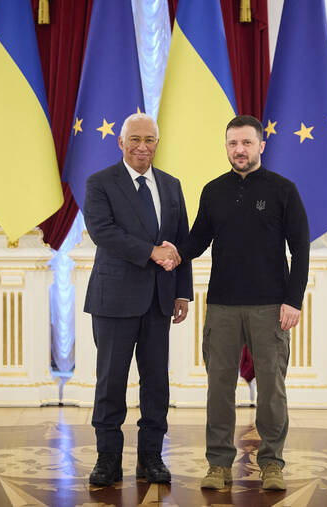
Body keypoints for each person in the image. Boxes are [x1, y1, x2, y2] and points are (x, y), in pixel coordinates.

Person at [165, 115, 309, 491]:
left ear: (261, 145)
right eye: (233, 144)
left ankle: (272, 463)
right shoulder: (213, 191)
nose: (239, 150)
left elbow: (301, 250)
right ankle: (218, 465)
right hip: (223, 307)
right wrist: (169, 252)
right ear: (226, 146)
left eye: (246, 143)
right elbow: (196, 242)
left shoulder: (284, 190)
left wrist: (293, 300)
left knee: (272, 390)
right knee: (219, 388)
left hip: (271, 307)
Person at [83, 112, 193, 487]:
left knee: (156, 383)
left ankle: (151, 458)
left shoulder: (171, 185)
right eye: (135, 139)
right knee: (110, 382)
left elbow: (181, 244)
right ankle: (108, 460)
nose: (142, 147)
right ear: (120, 142)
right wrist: (151, 252)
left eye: (149, 140)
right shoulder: (100, 183)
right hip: (113, 299)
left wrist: (182, 291)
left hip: (160, 301)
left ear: (157, 144)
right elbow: (102, 232)